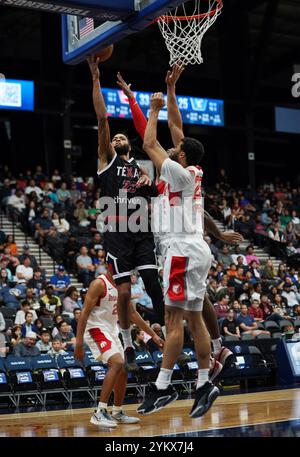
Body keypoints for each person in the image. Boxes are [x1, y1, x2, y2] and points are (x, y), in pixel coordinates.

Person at [136, 88, 219, 418]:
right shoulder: (193, 170)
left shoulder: (177, 172)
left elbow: (148, 144)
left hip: (181, 249)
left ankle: (162, 387)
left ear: (182, 157)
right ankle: (203, 383)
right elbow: (178, 128)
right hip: (198, 249)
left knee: (172, 322)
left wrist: (153, 109)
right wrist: (171, 92)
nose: (173, 148)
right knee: (194, 320)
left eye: (177, 150)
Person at [87, 57, 165, 371]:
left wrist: (152, 184)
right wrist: (96, 78)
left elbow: (159, 191)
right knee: (123, 290)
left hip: (142, 231)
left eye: (122, 137)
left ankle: (168, 330)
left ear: (129, 144)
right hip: (118, 232)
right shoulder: (107, 160)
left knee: (152, 283)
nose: (117, 138)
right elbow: (103, 119)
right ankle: (128, 341)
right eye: (114, 138)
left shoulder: (139, 168)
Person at [74, 271, 164, 428]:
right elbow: (83, 314)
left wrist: (153, 336)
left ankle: (117, 412)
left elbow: (133, 314)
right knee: (117, 363)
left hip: (111, 330)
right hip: (95, 328)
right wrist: (79, 343)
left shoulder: (123, 285)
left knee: (123, 368)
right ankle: (100, 411)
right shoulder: (99, 284)